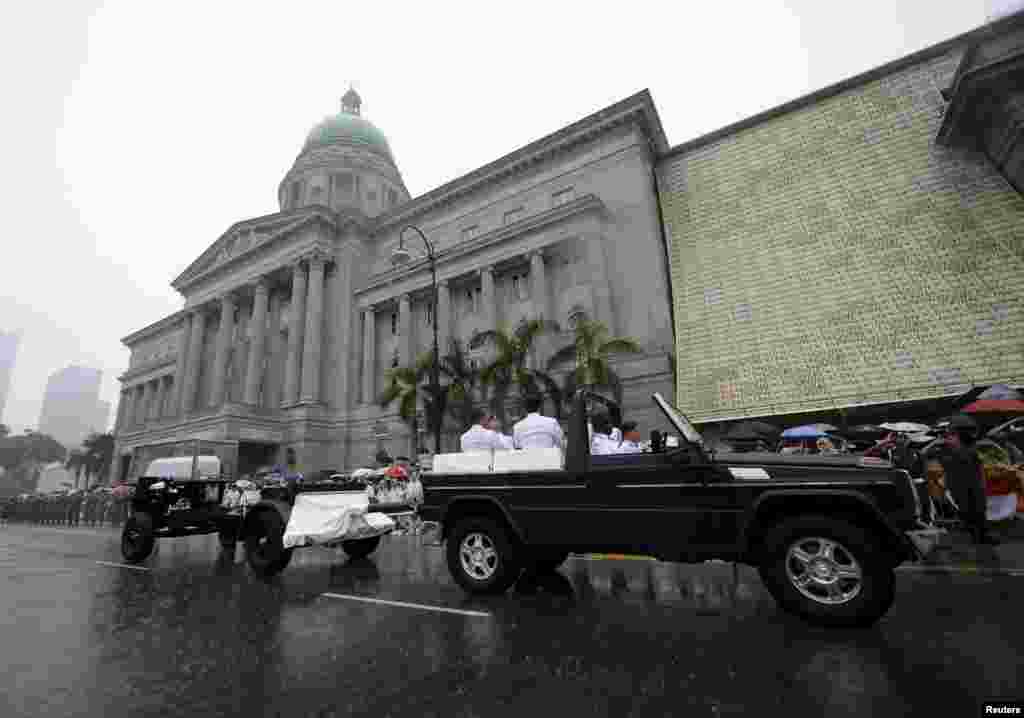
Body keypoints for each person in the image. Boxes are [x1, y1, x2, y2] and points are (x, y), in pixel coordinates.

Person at [931, 414, 998, 545]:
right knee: (970, 512)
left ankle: (981, 536)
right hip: (961, 486)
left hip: (972, 485)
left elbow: (978, 468)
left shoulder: (971, 449)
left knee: (977, 511)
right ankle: (977, 536)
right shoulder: (947, 450)